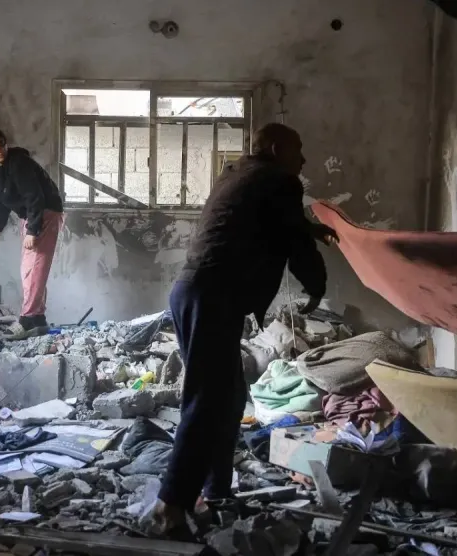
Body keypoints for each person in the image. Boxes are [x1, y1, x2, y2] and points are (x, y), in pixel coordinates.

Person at [152, 122, 337, 533]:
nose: (302, 159)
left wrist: (309, 227)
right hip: (214, 296)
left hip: (193, 292)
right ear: (275, 148)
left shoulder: (238, 174)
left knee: (230, 395)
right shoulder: (280, 180)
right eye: (298, 149)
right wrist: (316, 283)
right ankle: (170, 505)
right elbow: (291, 238)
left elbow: (262, 218)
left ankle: (215, 489)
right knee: (208, 400)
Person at [0, 124, 65, 339]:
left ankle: (27, 320)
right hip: (30, 217)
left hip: (44, 213)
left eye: (1, 144)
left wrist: (32, 231)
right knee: (32, 269)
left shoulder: (19, 163)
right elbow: (1, 201)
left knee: (33, 270)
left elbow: (34, 197)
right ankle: (38, 319)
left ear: (6, 144)